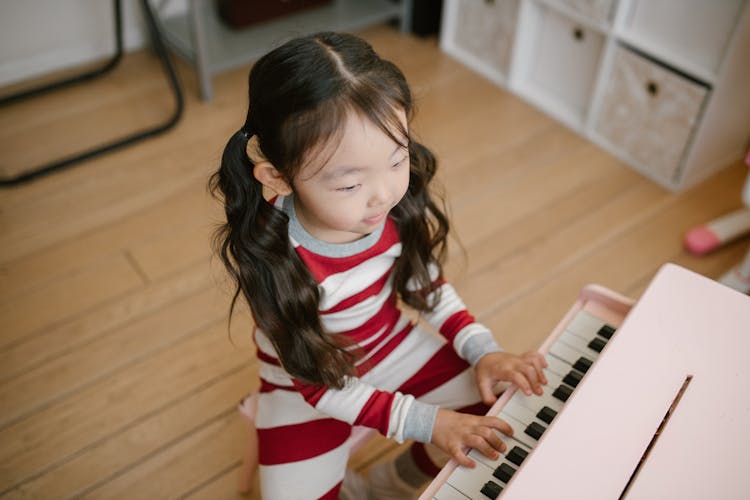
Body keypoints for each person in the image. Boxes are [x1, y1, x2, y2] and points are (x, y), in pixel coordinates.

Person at [209, 31, 547, 499]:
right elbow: (319, 389)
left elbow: (425, 285)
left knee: (496, 415)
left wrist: (482, 349)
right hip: (306, 388)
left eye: (397, 160)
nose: (384, 194)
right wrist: (427, 422)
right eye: (349, 185)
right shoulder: (274, 257)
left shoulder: (392, 208)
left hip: (389, 347)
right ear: (279, 178)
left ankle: (386, 486)